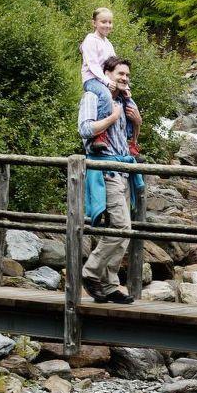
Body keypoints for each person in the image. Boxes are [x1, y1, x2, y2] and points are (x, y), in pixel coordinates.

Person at [79, 55, 142, 303]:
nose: (125, 79)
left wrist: (136, 122)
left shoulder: (125, 101)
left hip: (124, 170)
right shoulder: (94, 96)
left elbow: (130, 141)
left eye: (127, 75)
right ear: (106, 74)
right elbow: (85, 129)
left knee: (124, 231)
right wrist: (112, 118)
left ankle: (109, 285)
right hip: (106, 170)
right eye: (120, 74)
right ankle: (91, 271)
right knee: (120, 228)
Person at [80, 7, 117, 114]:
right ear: (94, 23)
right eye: (103, 22)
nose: (107, 25)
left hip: (105, 79)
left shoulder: (108, 43)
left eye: (110, 22)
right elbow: (93, 65)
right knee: (105, 96)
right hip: (92, 79)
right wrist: (106, 81)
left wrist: (126, 87)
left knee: (126, 99)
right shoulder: (90, 40)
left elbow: (116, 65)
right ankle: (100, 128)